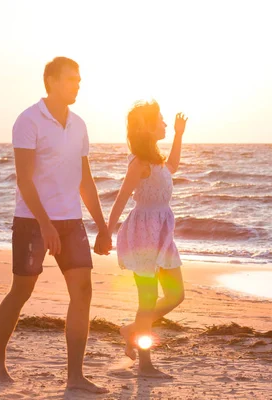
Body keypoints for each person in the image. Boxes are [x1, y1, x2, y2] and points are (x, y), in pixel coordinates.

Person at [0, 57, 111, 394]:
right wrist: (44, 224)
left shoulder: (80, 124)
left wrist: (102, 226)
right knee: (22, 291)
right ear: (52, 80)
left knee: (83, 291)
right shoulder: (28, 120)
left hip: (71, 220)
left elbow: (85, 180)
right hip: (32, 221)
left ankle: (75, 376)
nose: (78, 84)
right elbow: (24, 179)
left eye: (79, 79)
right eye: (72, 79)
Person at [107, 101, 187, 378]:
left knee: (176, 294)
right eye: (161, 121)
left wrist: (178, 134)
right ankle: (146, 365)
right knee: (148, 299)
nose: (165, 124)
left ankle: (132, 330)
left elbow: (174, 165)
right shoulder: (138, 162)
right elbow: (121, 196)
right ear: (147, 126)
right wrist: (107, 230)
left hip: (162, 232)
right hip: (143, 234)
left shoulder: (157, 159)